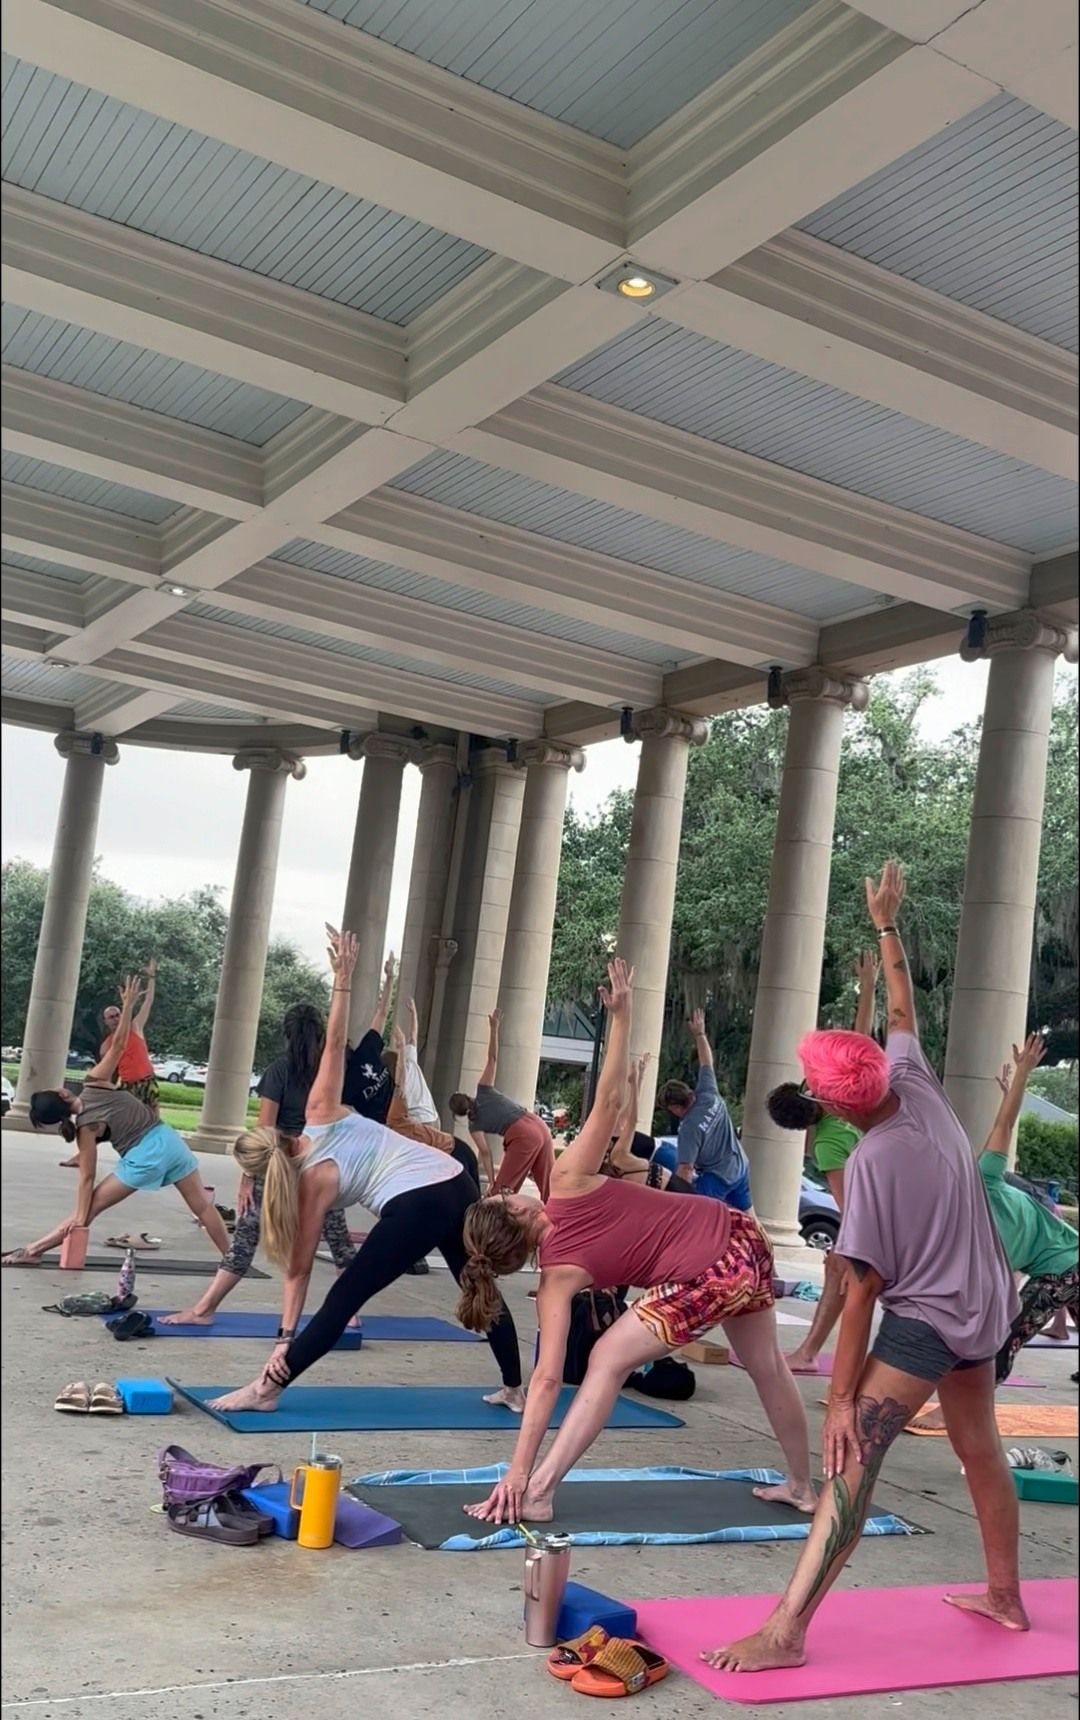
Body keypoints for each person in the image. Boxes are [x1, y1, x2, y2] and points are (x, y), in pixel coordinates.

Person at [703, 862, 1024, 1677]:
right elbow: (905, 1003)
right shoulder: (913, 1079)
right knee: (978, 1444)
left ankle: (785, 1632)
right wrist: (887, 923)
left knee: (850, 1461)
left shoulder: (873, 1164)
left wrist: (843, 1399)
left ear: (840, 1104)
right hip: (989, 1301)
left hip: (928, 1320)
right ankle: (1006, 1597)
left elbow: (862, 1289)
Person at [456, 959, 815, 1526]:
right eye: (505, 1196)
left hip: (712, 1269)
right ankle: (802, 1486)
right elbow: (609, 1103)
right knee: (766, 1363)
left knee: (603, 1359)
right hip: (744, 1236)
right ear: (514, 1210)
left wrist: (517, 1470)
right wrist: (621, 1018)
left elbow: (547, 1380)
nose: (513, 1190)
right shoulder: (568, 1182)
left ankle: (541, 1490)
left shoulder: (554, 1280)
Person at [207, 927, 525, 1415]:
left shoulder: (311, 1186)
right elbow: (335, 1044)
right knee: (473, 1277)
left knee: (345, 1295)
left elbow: (299, 1270)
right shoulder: (319, 1112)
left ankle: (266, 1391)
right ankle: (514, 1389)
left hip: (418, 1200)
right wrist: (342, 980)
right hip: (454, 1177)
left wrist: (285, 1340)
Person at [3, 977, 231, 1266]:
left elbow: (87, 1179)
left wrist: (83, 1214)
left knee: (90, 1207)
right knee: (202, 1205)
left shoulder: (84, 1129)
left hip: (145, 1155)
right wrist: (128, 1005)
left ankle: (33, 1251)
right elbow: (121, 1042)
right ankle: (233, 1259)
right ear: (62, 1091)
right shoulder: (95, 1082)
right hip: (169, 1140)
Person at [158, 1001, 359, 1327]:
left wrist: (248, 1178)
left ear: (287, 1036)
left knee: (246, 1238)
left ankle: (204, 1310)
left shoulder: (279, 1071)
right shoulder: (331, 1072)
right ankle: (350, 1314)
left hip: (280, 1165)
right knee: (338, 1240)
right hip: (320, 1163)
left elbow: (266, 1130)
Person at [766, 951, 879, 1373]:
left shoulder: (829, 1142)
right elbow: (861, 1040)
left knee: (842, 1270)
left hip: (884, 1210)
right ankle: (811, 1353)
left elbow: (850, 1206)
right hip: (893, 1196)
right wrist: (867, 986)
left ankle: (811, 1354)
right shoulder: (842, 1098)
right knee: (837, 1269)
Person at [980, 1037, 1076, 1384]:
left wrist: (1023, 1074)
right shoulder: (960, 1228)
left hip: (1063, 1267)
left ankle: (957, 1412)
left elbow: (1003, 1127)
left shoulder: (984, 1179)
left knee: (1004, 1340)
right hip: (1064, 1264)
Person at [449, 1009, 555, 1200]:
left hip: (522, 1135)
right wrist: (494, 1028)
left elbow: (486, 1153)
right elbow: (492, 1059)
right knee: (550, 1189)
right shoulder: (484, 1089)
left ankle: (493, 1228)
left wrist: (491, 1183)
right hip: (537, 1123)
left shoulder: (474, 1126)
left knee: (502, 1194)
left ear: (460, 1114)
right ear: (466, 1095)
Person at [656, 1009, 752, 1209]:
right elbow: (706, 1061)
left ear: (674, 1107)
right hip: (740, 1165)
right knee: (749, 1217)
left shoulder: (689, 1127)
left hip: (717, 1178)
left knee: (692, 1213)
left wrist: (672, 1200)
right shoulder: (708, 1092)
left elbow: (686, 1169)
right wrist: (700, 1034)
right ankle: (761, 1239)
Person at [341, 950, 395, 1122]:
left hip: (396, 1118)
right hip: (381, 1127)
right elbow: (382, 1013)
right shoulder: (343, 1088)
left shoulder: (366, 1051)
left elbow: (382, 1013)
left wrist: (390, 978)